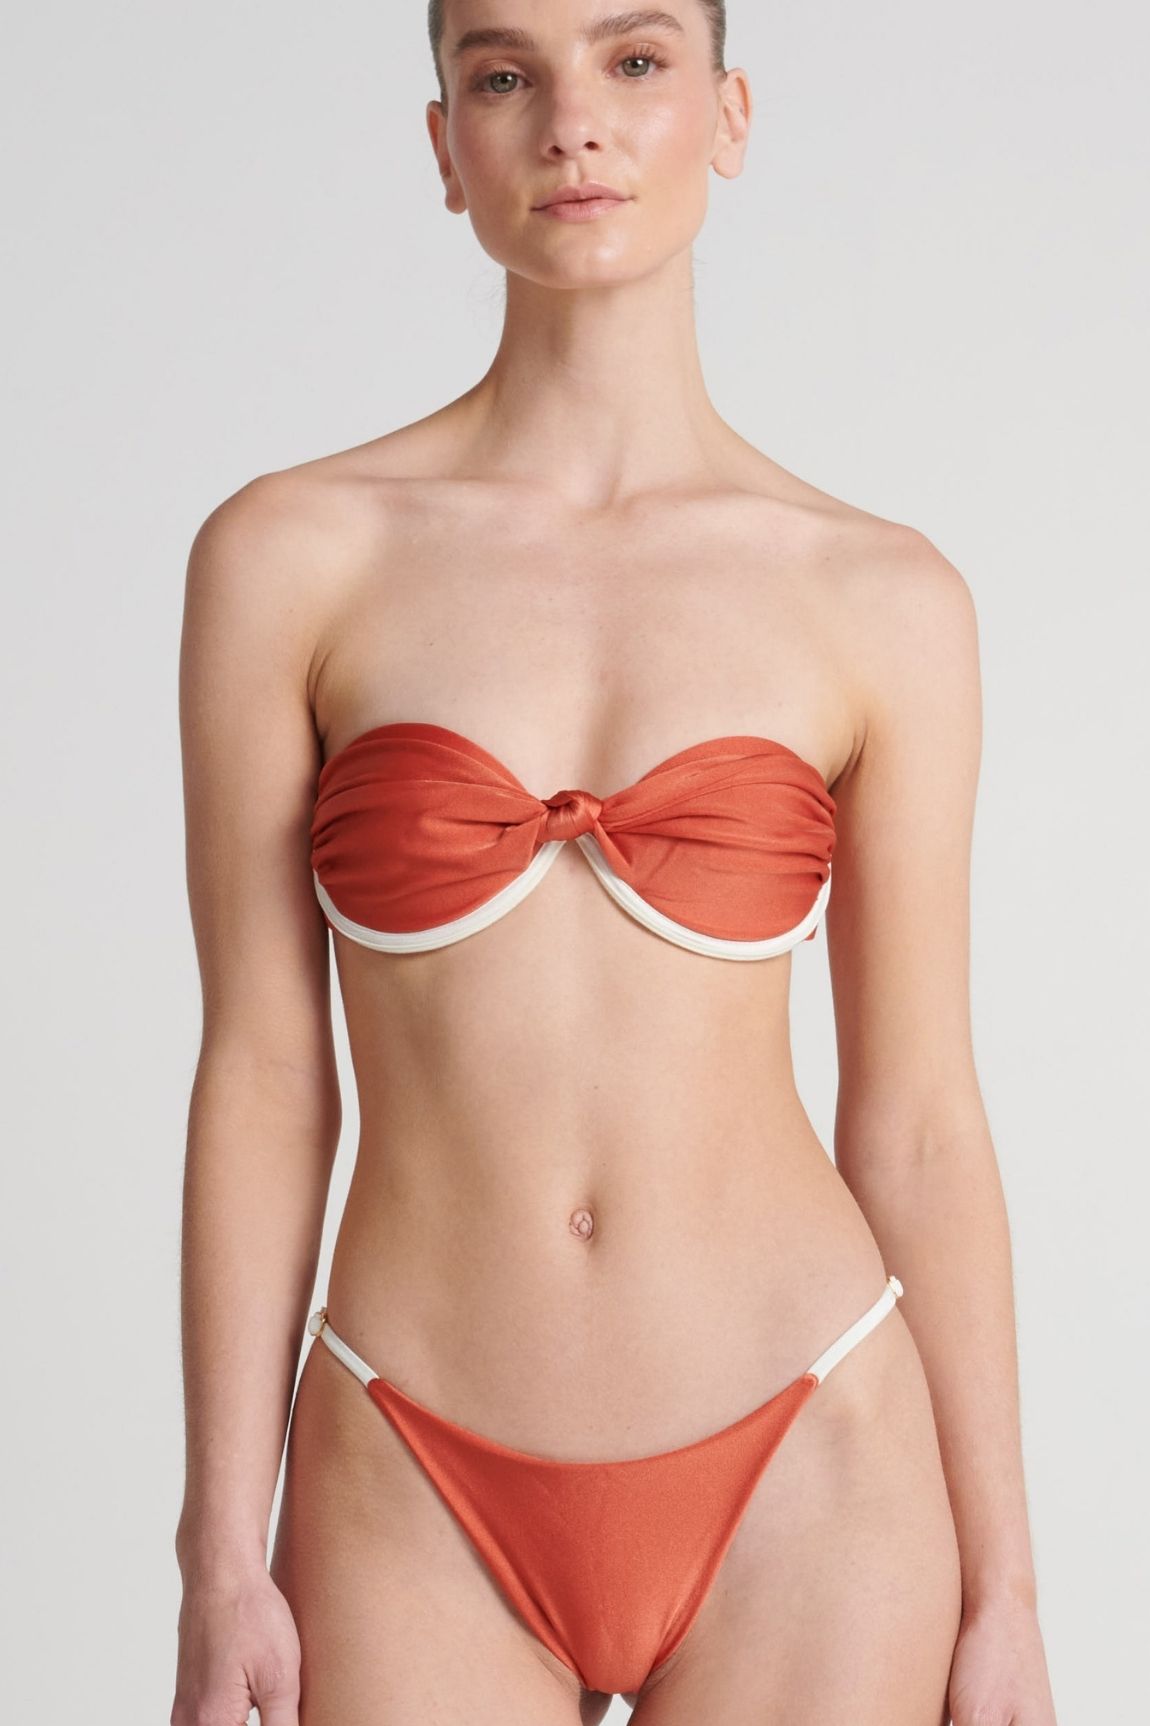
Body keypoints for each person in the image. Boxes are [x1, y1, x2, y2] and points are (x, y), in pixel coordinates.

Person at [171, 3, 1058, 1723]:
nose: (570, 120)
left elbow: (918, 1118)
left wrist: (1006, 1588)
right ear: (445, 144)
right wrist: (216, 1550)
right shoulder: (288, 557)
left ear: (728, 114)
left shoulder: (879, 597)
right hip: (406, 1454)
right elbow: (265, 1073)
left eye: (634, 60)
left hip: (813, 1452)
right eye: (504, 74)